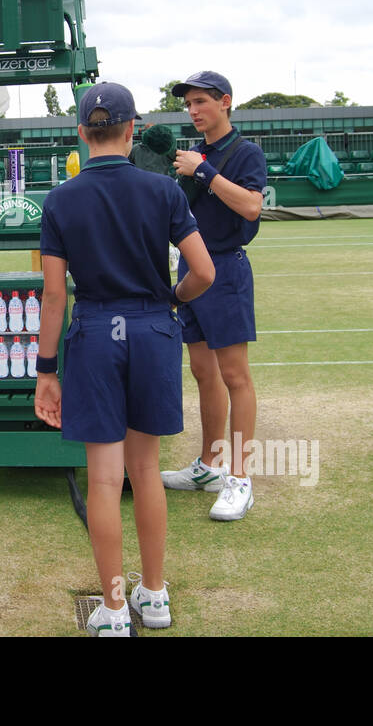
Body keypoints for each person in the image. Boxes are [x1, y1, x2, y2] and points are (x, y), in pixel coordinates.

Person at [34, 83, 214, 637]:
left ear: (82, 133)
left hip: (93, 335)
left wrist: (45, 371)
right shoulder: (164, 191)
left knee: (105, 480)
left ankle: (114, 611)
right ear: (132, 130)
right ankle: (154, 597)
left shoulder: (61, 199)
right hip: (152, 328)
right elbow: (204, 273)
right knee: (147, 473)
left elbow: (54, 295)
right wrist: (169, 302)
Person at [160, 71, 266, 522]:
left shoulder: (245, 152)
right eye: (189, 104)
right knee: (203, 372)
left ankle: (239, 478)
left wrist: (203, 172)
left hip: (225, 269)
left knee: (235, 375)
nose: (194, 110)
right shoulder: (193, 151)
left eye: (201, 101)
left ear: (225, 101)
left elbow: (251, 206)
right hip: (190, 267)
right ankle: (208, 465)